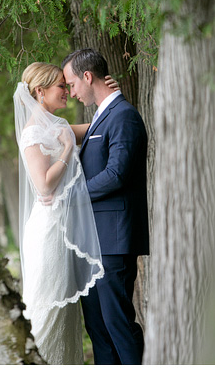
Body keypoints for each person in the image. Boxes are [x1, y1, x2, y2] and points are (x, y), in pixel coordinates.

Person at [13, 62, 107, 364]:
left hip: (61, 230)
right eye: (59, 87)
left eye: (66, 86)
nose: (66, 91)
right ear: (40, 92)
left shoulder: (57, 125)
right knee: (47, 310)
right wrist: (67, 149)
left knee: (65, 318)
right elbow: (43, 186)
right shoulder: (32, 133)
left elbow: (96, 128)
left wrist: (108, 99)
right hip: (47, 233)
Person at [62, 48, 149, 365]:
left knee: (118, 323)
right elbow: (80, 133)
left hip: (114, 239)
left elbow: (117, 175)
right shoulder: (103, 115)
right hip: (94, 241)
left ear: (88, 77)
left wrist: (72, 195)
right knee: (97, 327)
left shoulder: (124, 116)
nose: (71, 92)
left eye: (72, 84)